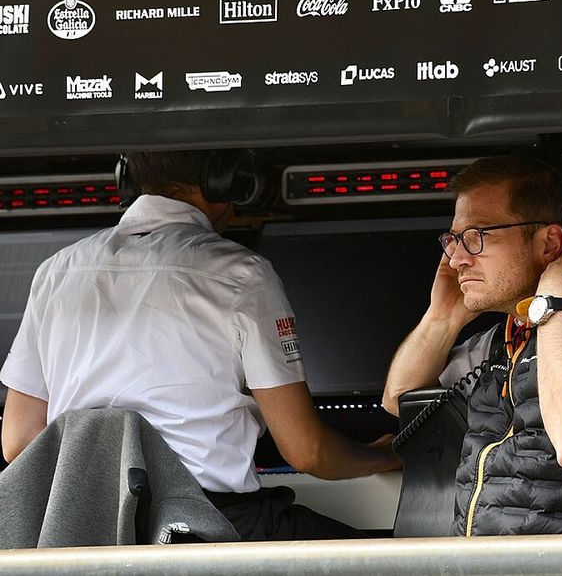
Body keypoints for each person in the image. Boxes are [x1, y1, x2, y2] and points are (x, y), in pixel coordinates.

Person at [0, 150, 399, 541]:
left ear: (128, 178)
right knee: (391, 564)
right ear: (226, 179)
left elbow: (18, 442)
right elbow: (307, 451)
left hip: (86, 532)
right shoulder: (243, 275)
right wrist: (387, 455)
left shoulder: (56, 271)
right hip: (210, 523)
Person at [382, 155, 562, 535]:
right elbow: (398, 399)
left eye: (478, 236)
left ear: (549, 243)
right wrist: (442, 317)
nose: (456, 259)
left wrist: (552, 304)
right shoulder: (507, 337)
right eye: (453, 240)